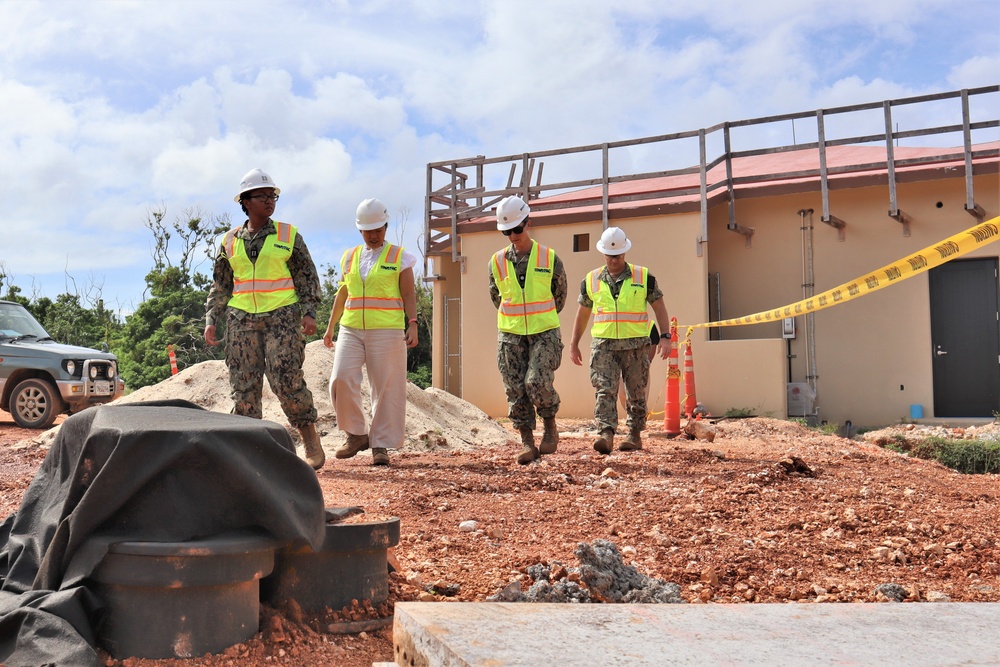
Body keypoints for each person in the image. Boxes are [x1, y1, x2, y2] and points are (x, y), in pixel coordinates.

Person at [204, 168, 326, 470]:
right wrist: (211, 319)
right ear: (245, 201)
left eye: (273, 196)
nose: (270, 201)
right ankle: (248, 450)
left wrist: (309, 312)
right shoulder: (229, 241)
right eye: (263, 196)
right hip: (241, 320)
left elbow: (307, 278)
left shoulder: (289, 236)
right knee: (244, 386)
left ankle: (309, 438)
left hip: (282, 318)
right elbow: (221, 284)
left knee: (286, 379)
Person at [324, 198, 419, 467]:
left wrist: (412, 323)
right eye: (368, 231)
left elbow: (409, 292)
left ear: (386, 227)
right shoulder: (350, 256)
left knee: (387, 387)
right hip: (351, 328)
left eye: (378, 229)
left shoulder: (400, 257)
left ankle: (380, 444)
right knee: (341, 379)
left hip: (387, 330)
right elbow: (343, 292)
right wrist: (331, 327)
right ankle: (356, 434)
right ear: (360, 231)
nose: (374, 235)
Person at [569, 227, 670, 454]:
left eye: (619, 255)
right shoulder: (591, 280)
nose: (614, 259)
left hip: (635, 346)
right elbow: (583, 313)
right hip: (604, 346)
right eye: (610, 255)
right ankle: (606, 433)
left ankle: (634, 434)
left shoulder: (643, 277)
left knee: (636, 390)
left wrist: (665, 337)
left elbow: (659, 306)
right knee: (604, 390)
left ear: (625, 252)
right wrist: (574, 343)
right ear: (603, 254)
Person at [488, 195, 568, 464]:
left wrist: (538, 318)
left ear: (528, 224)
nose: (512, 235)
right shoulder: (496, 262)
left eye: (517, 229)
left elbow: (560, 296)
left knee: (536, 381)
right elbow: (496, 296)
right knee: (515, 389)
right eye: (506, 231)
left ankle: (549, 424)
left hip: (544, 332)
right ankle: (526, 441)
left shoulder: (549, 257)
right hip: (510, 335)